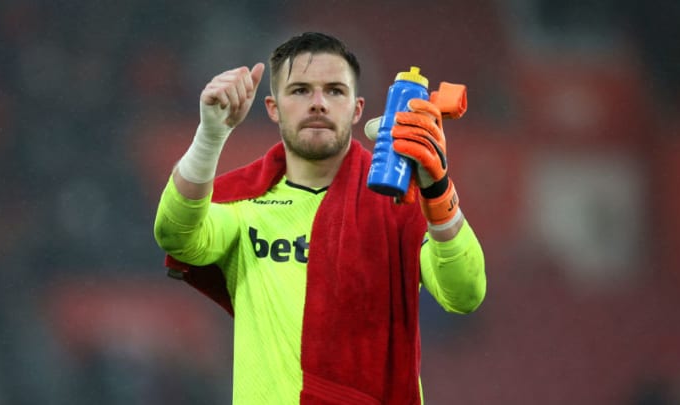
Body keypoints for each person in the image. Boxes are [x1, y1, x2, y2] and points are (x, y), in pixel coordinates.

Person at [153, 31, 486, 404]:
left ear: (357, 109)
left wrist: (438, 191)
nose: (318, 104)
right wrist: (209, 136)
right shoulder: (243, 205)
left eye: (334, 91)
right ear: (273, 107)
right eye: (299, 91)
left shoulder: (399, 204)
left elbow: (465, 294)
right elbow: (176, 234)